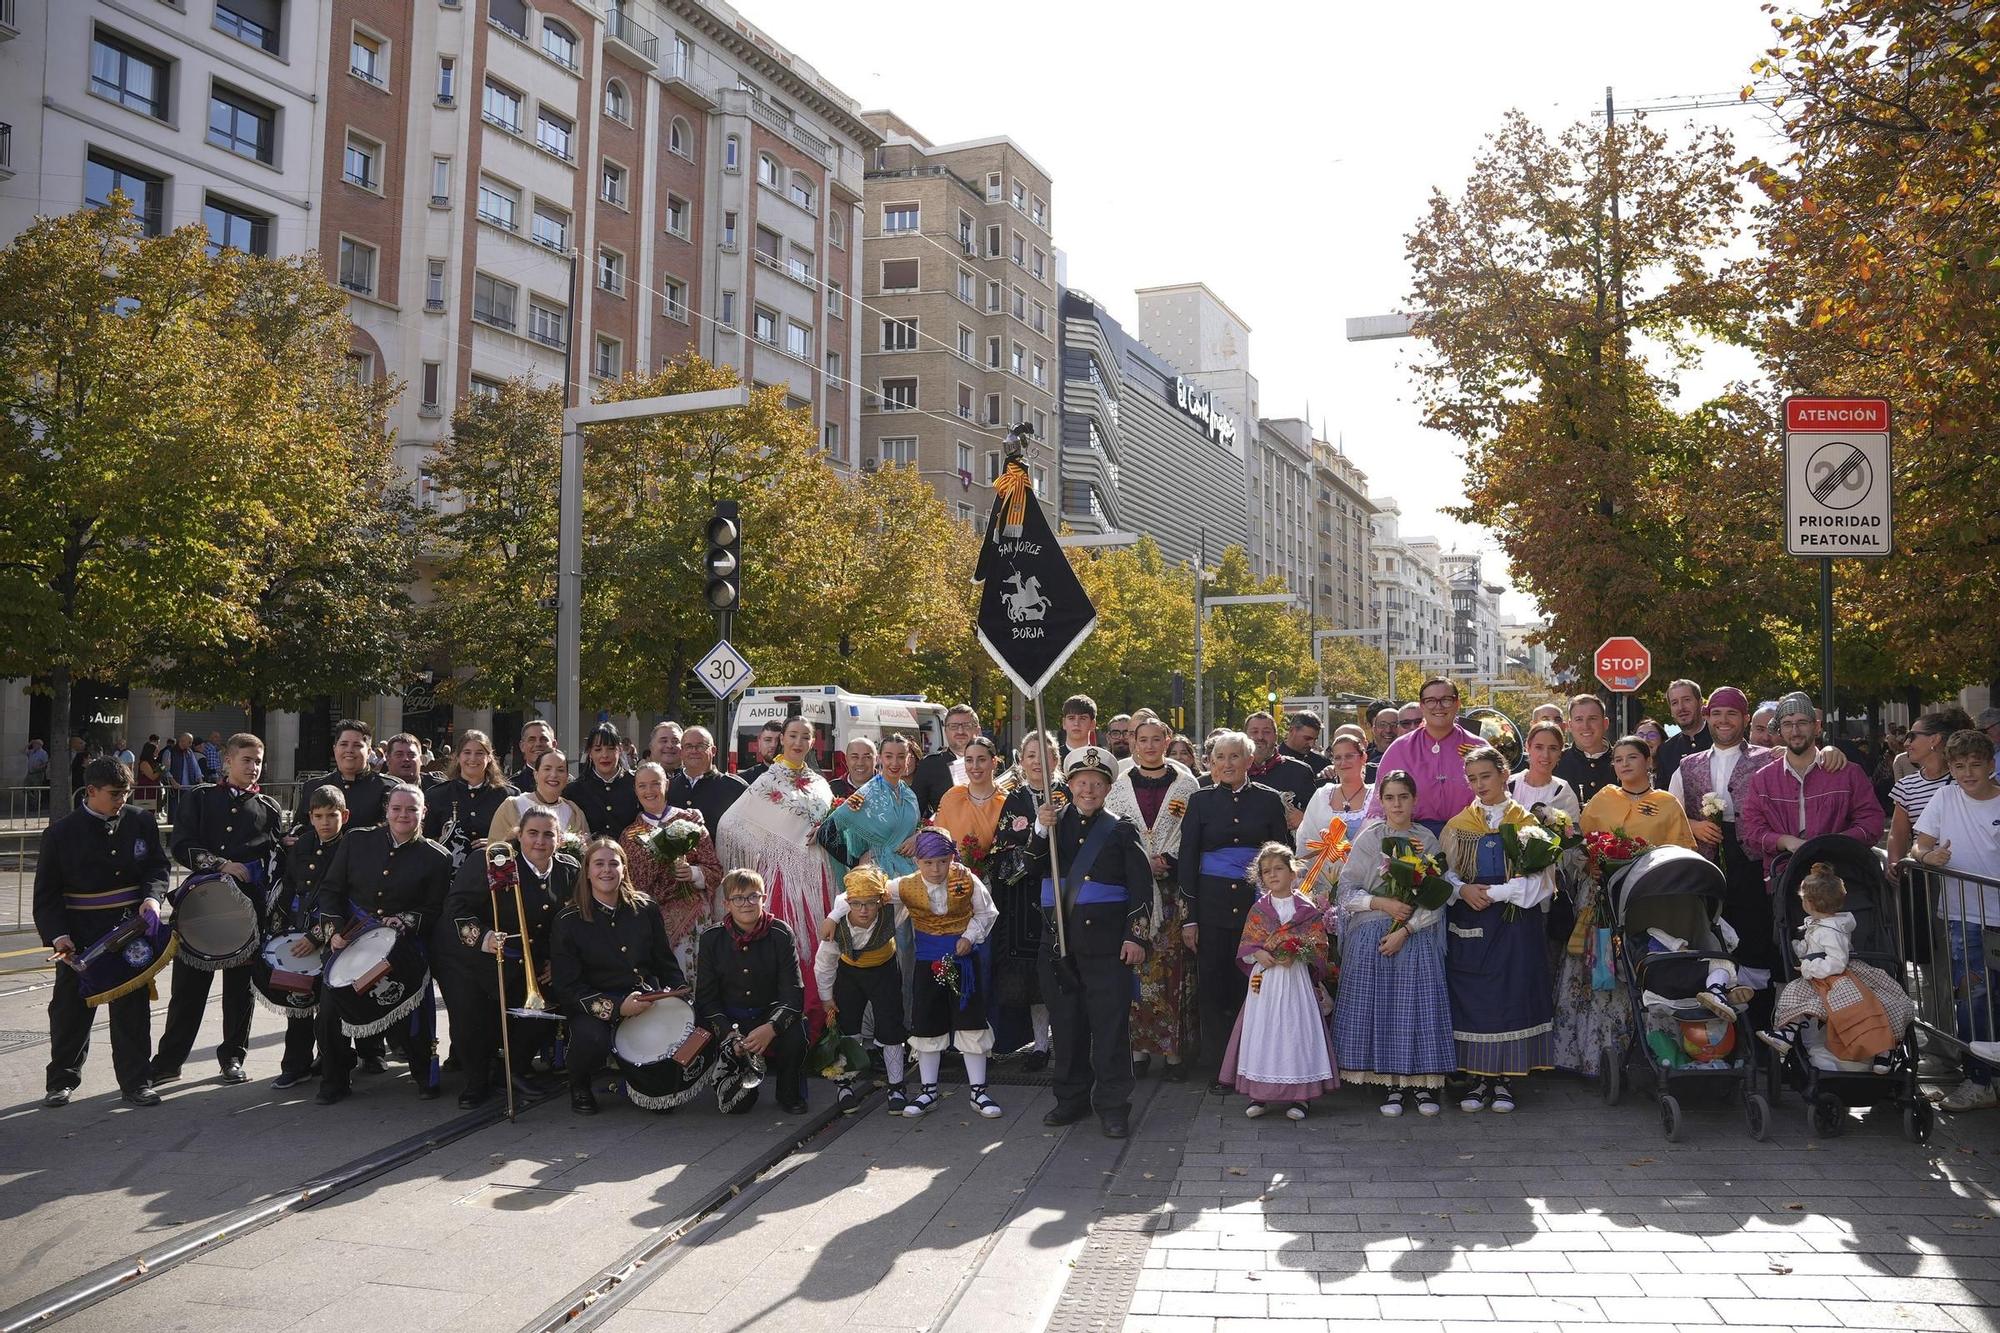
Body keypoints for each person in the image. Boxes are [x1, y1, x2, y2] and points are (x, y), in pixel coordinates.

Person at [1022, 746, 1154, 1135]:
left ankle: (1113, 1106)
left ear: (1108, 788)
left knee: (1110, 1029)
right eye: (1082, 782)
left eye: (1097, 783)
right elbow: (1027, 871)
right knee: (1066, 1026)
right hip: (1060, 945)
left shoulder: (1121, 829)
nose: (1089, 790)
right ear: (1070, 784)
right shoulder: (1053, 824)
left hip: (1108, 946)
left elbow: (1141, 890)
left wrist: (1136, 938)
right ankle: (1070, 1099)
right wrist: (1038, 830)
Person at [36, 758, 172, 1107]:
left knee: (132, 1009)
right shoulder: (60, 833)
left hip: (131, 929)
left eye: (126, 793)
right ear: (91, 791)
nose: (122, 800)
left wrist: (152, 899)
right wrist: (58, 936)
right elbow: (47, 895)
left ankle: (136, 1081)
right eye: (114, 794)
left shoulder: (141, 821)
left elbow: (156, 865)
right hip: (81, 936)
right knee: (70, 1010)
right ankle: (61, 1080)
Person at [152, 734, 284, 1087]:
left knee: (240, 993)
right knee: (188, 991)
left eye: (258, 760)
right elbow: (181, 845)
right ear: (227, 760)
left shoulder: (268, 809)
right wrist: (220, 863)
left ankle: (233, 1058)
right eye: (246, 759)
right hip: (201, 909)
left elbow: (276, 860)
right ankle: (168, 1061)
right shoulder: (200, 797)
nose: (253, 767)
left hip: (246, 915)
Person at [312, 783, 452, 1104]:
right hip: (351, 940)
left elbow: (434, 909)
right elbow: (331, 890)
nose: (404, 815)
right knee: (331, 1011)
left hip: (402, 946)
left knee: (410, 1009)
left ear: (423, 813)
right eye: (397, 808)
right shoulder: (357, 841)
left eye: (412, 809)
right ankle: (334, 1080)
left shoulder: (436, 857)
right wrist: (333, 929)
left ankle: (421, 1072)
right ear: (387, 810)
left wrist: (406, 920)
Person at [1441, 746, 1557, 1113]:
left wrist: (1498, 892)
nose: (1479, 784)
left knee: (1510, 995)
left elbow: (1543, 882)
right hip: (1471, 922)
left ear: (1504, 775)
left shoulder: (1526, 823)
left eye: (1485, 776)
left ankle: (1504, 1079)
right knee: (1475, 998)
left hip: (1514, 925)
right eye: (1472, 779)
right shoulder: (1459, 824)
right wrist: (1462, 889)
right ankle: (1477, 1078)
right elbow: (1444, 871)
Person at [1333, 771, 1453, 1115]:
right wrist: (1383, 904)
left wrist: (1407, 928)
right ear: (1381, 801)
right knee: (1383, 1007)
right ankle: (1390, 1085)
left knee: (1417, 1005)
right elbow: (1347, 891)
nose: (1397, 804)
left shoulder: (1426, 840)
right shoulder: (1370, 838)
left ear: (1414, 800)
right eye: (1390, 798)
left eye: (1403, 797)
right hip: (1373, 930)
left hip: (1414, 931)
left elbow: (1437, 897)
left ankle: (1421, 1084)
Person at [1178, 730, 1292, 1090]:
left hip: (1255, 906)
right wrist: (1190, 917)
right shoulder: (1200, 801)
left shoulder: (1270, 800)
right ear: (1211, 764)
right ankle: (1221, 1068)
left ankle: (1254, 1062)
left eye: (1234, 757)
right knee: (1213, 987)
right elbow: (1187, 861)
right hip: (1210, 906)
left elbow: (1282, 856)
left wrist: (1280, 911)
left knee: (1253, 985)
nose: (1227, 764)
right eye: (1220, 758)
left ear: (1248, 761)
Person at [442, 805, 573, 1107]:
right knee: (472, 1015)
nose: (540, 841)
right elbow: (456, 909)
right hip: (472, 956)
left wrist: (558, 960)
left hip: (529, 960)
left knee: (551, 999)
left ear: (559, 839)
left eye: (548, 835)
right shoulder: (493, 861)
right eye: (532, 833)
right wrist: (483, 937)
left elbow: (570, 923)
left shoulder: (568, 870)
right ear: (519, 834)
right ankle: (476, 1079)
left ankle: (513, 1069)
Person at [552, 838, 688, 1116]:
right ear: (587, 871)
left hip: (647, 1000)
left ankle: (640, 1078)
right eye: (598, 864)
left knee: (663, 1090)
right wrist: (616, 1008)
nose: (607, 870)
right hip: (596, 1006)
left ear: (624, 869)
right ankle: (579, 1084)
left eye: (614, 863)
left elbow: (664, 960)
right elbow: (567, 988)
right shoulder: (569, 920)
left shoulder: (645, 908)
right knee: (592, 1040)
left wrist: (677, 993)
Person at [716, 715, 839, 1023]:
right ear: (782, 738)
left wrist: (826, 830)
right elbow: (730, 824)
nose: (798, 742)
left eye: (805, 737)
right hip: (782, 881)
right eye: (793, 735)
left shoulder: (819, 782)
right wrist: (766, 851)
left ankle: (822, 1026)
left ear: (812, 743)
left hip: (818, 878)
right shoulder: (767, 781)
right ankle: (779, 1025)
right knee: (788, 948)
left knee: (821, 951)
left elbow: (830, 823)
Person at [1667, 688, 1781, 1004]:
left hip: (1752, 864)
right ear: (1707, 717)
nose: (1723, 720)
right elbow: (1669, 814)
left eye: (1732, 713)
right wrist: (1693, 825)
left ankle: (1757, 1019)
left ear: (1745, 718)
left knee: (1753, 940)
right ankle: (1715, 1007)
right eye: (1716, 713)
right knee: (1711, 936)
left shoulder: (1768, 758)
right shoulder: (1688, 765)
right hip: (1706, 865)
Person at [1106, 719, 1200, 1082]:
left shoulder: (1186, 784)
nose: (1148, 745)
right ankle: (1139, 1049)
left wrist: (1168, 860)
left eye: (1155, 739)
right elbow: (1113, 831)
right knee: (1136, 966)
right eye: (1141, 739)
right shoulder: (1118, 786)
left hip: (1172, 891)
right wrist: (1138, 862)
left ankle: (1173, 1052)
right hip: (1133, 892)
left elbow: (1189, 833)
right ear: (1132, 742)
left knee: (1171, 970)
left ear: (1168, 740)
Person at [1913, 729, 2000, 1111]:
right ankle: (1978, 1078)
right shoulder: (1945, 796)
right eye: (1960, 766)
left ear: (1991, 766)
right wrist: (1926, 857)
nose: (1967, 773)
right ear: (1951, 768)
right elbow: (1921, 843)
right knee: (1972, 996)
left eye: (1975, 765)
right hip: (1963, 915)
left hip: (1995, 912)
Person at [1219, 843, 1337, 1120]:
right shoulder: (1259, 910)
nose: (1272, 875)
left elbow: (1318, 944)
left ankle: (1300, 1096)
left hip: (1295, 983)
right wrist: (1258, 952)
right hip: (1267, 982)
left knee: (1295, 1033)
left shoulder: (1306, 910)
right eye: (1266, 871)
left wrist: (1297, 954)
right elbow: (1247, 944)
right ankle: (1260, 1093)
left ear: (1293, 872)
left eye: (1279, 869)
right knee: (1264, 1032)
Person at [893, 826, 1001, 1119]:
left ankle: (979, 1091)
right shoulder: (904, 885)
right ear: (917, 862)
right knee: (927, 1021)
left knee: (971, 1021)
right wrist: (834, 916)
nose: (936, 869)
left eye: (942, 861)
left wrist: (969, 936)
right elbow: (866, 893)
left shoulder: (967, 880)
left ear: (951, 858)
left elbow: (987, 913)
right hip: (927, 963)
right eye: (928, 863)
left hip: (964, 961)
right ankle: (928, 1090)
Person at [1760, 861, 1905, 1075]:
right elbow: (1815, 947)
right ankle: (1786, 1033)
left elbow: (1837, 961)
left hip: (1836, 976)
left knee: (1859, 1008)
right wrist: (1799, 948)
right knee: (1796, 994)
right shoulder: (1822, 925)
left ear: (1808, 903)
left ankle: (1883, 1049)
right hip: (1827, 975)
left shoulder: (1831, 931)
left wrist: (1809, 967)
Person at [1739, 693, 1885, 886]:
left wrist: (1833, 843)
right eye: (1788, 724)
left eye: (1802, 722)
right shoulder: (1763, 779)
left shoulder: (1847, 773)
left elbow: (1872, 823)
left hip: (1842, 878)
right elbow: (1752, 831)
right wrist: (1785, 841)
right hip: (1786, 877)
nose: (1795, 730)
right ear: (1780, 730)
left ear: (1816, 727)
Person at [695, 868, 809, 1114]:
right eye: (738, 898)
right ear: (726, 903)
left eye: (753, 896)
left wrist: (772, 1028)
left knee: (795, 1035)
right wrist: (729, 1035)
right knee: (739, 1107)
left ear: (763, 899)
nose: (746, 904)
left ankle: (789, 1092)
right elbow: (706, 998)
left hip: (769, 1015)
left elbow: (793, 993)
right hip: (731, 1021)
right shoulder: (711, 939)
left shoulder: (780, 934)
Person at [986, 730, 1062, 1068]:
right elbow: (1003, 850)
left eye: (1044, 755)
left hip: (1063, 894)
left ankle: (1071, 1039)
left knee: (1064, 969)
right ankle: (1040, 1045)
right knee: (1034, 974)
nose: (1037, 762)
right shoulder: (1014, 799)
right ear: (1021, 760)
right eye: (1030, 755)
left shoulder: (1069, 793)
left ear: (1055, 759)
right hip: (1025, 897)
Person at [814, 865, 909, 1113]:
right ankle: (844, 1085)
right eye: (856, 904)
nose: (864, 910)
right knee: (848, 1026)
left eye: (870, 903)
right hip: (849, 976)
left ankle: (897, 1086)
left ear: (881, 900)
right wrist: (826, 998)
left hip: (884, 971)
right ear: (848, 902)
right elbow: (823, 964)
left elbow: (914, 883)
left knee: (891, 1026)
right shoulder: (837, 926)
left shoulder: (890, 903)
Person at [621, 761, 724, 986]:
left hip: (694, 918)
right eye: (642, 786)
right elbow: (632, 885)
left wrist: (694, 873)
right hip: (654, 922)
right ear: (635, 790)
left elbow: (715, 870)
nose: (649, 791)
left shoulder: (690, 820)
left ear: (666, 785)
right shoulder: (630, 835)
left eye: (655, 784)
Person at [272, 785, 348, 1090]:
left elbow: (351, 897)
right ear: (310, 817)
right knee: (298, 1000)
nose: (326, 822)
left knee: (332, 1008)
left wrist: (319, 935)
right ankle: (296, 1064)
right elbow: (291, 886)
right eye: (319, 816)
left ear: (345, 815)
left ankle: (336, 1064)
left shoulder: (352, 846)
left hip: (337, 932)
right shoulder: (302, 844)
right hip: (300, 925)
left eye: (332, 815)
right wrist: (284, 929)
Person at [1365, 678, 1482, 831]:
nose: (1438, 707)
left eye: (1446, 700)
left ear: (1457, 703)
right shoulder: (1399, 749)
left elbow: (1498, 797)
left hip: (1470, 838)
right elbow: (1379, 806)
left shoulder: (1479, 747)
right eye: (1430, 701)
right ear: (1422, 706)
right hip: (1413, 841)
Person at [424, 730, 518, 872]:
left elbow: (521, 839)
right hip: (449, 876)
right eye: (467, 752)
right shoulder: (437, 795)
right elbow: (428, 840)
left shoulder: (508, 795)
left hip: (493, 875)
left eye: (479, 753)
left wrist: (498, 844)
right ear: (457, 757)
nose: (473, 759)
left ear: (489, 757)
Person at [1886, 709, 1970, 867]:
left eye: (1912, 736)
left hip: (1971, 871)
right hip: (1926, 876)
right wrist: (1894, 863)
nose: (1906, 743)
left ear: (1934, 739)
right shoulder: (1906, 786)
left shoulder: (1967, 780)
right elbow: (1898, 834)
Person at [293, 718, 396, 831]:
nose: (349, 750)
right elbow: (299, 828)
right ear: (334, 749)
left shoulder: (388, 788)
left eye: (357, 745)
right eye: (344, 744)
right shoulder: (313, 787)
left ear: (368, 752)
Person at [932, 736, 1009, 879]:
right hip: (954, 879)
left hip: (996, 881)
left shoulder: (1006, 801)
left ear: (994, 762)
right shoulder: (952, 797)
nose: (975, 766)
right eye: (969, 760)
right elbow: (938, 840)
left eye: (981, 759)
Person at [490, 748, 590, 844]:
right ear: (536, 774)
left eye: (560, 770)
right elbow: (496, 849)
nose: (554, 775)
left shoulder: (574, 812)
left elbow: (586, 853)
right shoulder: (513, 806)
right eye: (547, 769)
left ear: (567, 777)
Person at [1297, 735, 1373, 862]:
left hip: (1370, 874)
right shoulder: (1322, 796)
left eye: (1349, 756)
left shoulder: (1377, 796)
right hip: (1326, 875)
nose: (1343, 762)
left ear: (1363, 758)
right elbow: (1305, 840)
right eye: (1338, 758)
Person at [667, 725, 747, 832]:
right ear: (681, 752)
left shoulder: (736, 788)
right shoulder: (667, 788)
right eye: (688, 746)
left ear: (713, 751)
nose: (694, 751)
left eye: (701, 746)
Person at [566, 723, 639, 838]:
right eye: (598, 749)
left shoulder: (636, 783)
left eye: (610, 749)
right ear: (590, 753)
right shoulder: (574, 790)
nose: (605, 755)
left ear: (620, 749)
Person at [1244, 711, 1317, 825]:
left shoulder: (1299, 771)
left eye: (1266, 732)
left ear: (1276, 736)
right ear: (1245, 737)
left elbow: (1316, 814)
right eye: (1254, 731)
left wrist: (1304, 818)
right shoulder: (1235, 771)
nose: (1260, 737)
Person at [912, 704, 978, 817]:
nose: (960, 731)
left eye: (966, 726)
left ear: (977, 729)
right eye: (954, 726)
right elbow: (916, 811)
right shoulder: (929, 765)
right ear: (945, 730)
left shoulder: (992, 763)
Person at [1510, 720, 1581, 821]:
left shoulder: (1565, 794)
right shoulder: (1508, 786)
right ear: (1528, 747)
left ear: (1560, 752)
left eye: (1553, 748)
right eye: (1539, 747)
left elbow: (1573, 833)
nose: (1545, 755)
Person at [1554, 695, 1617, 804]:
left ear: (1605, 723)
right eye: (1579, 719)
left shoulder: (1621, 761)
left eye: (1592, 718)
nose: (1586, 726)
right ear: (1570, 725)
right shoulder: (1556, 762)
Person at [510, 719, 555, 790]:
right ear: (522, 746)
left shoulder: (568, 785)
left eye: (543, 739)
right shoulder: (511, 787)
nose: (538, 744)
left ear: (554, 745)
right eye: (532, 740)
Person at [830, 736, 876, 800]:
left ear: (876, 759)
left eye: (867, 757)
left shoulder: (888, 788)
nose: (860, 763)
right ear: (846, 759)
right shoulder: (832, 789)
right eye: (854, 757)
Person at [742, 719, 785, 784]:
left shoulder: (799, 777)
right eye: (768, 740)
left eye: (778, 740)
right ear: (759, 743)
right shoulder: (744, 780)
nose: (773, 745)